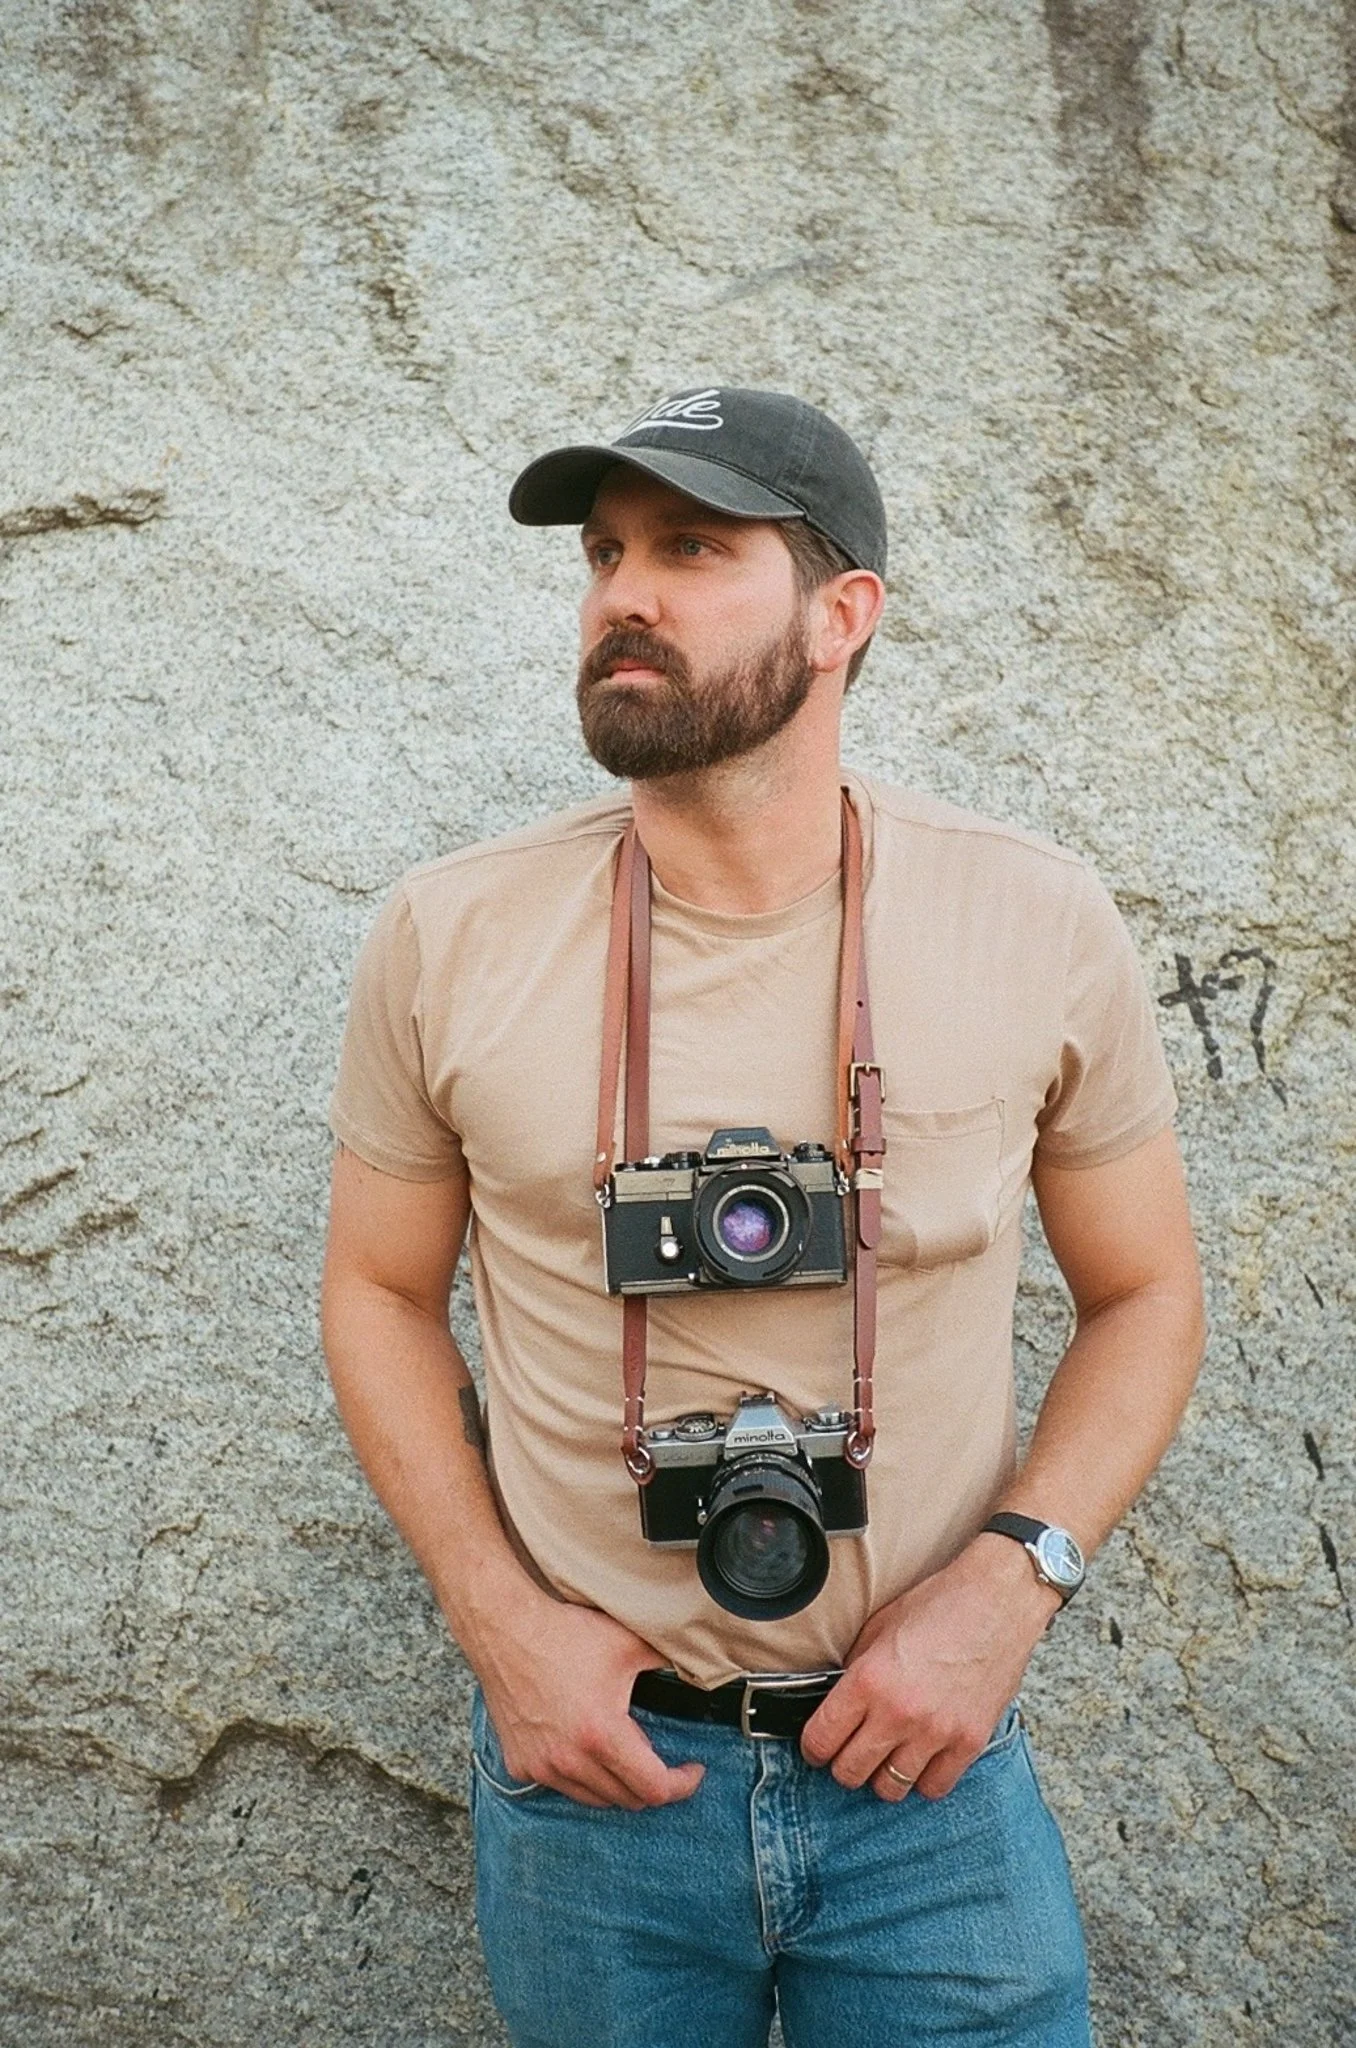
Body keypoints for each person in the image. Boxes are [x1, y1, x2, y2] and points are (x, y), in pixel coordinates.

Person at [321, 386, 1205, 2048]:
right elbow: (375, 1291)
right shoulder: (449, 935)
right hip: (596, 1776)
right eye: (604, 555)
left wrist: (1012, 1588)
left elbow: (1149, 1292)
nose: (622, 596)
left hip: (926, 1766)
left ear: (841, 614)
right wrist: (500, 1628)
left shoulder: (1032, 917)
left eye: (691, 550)